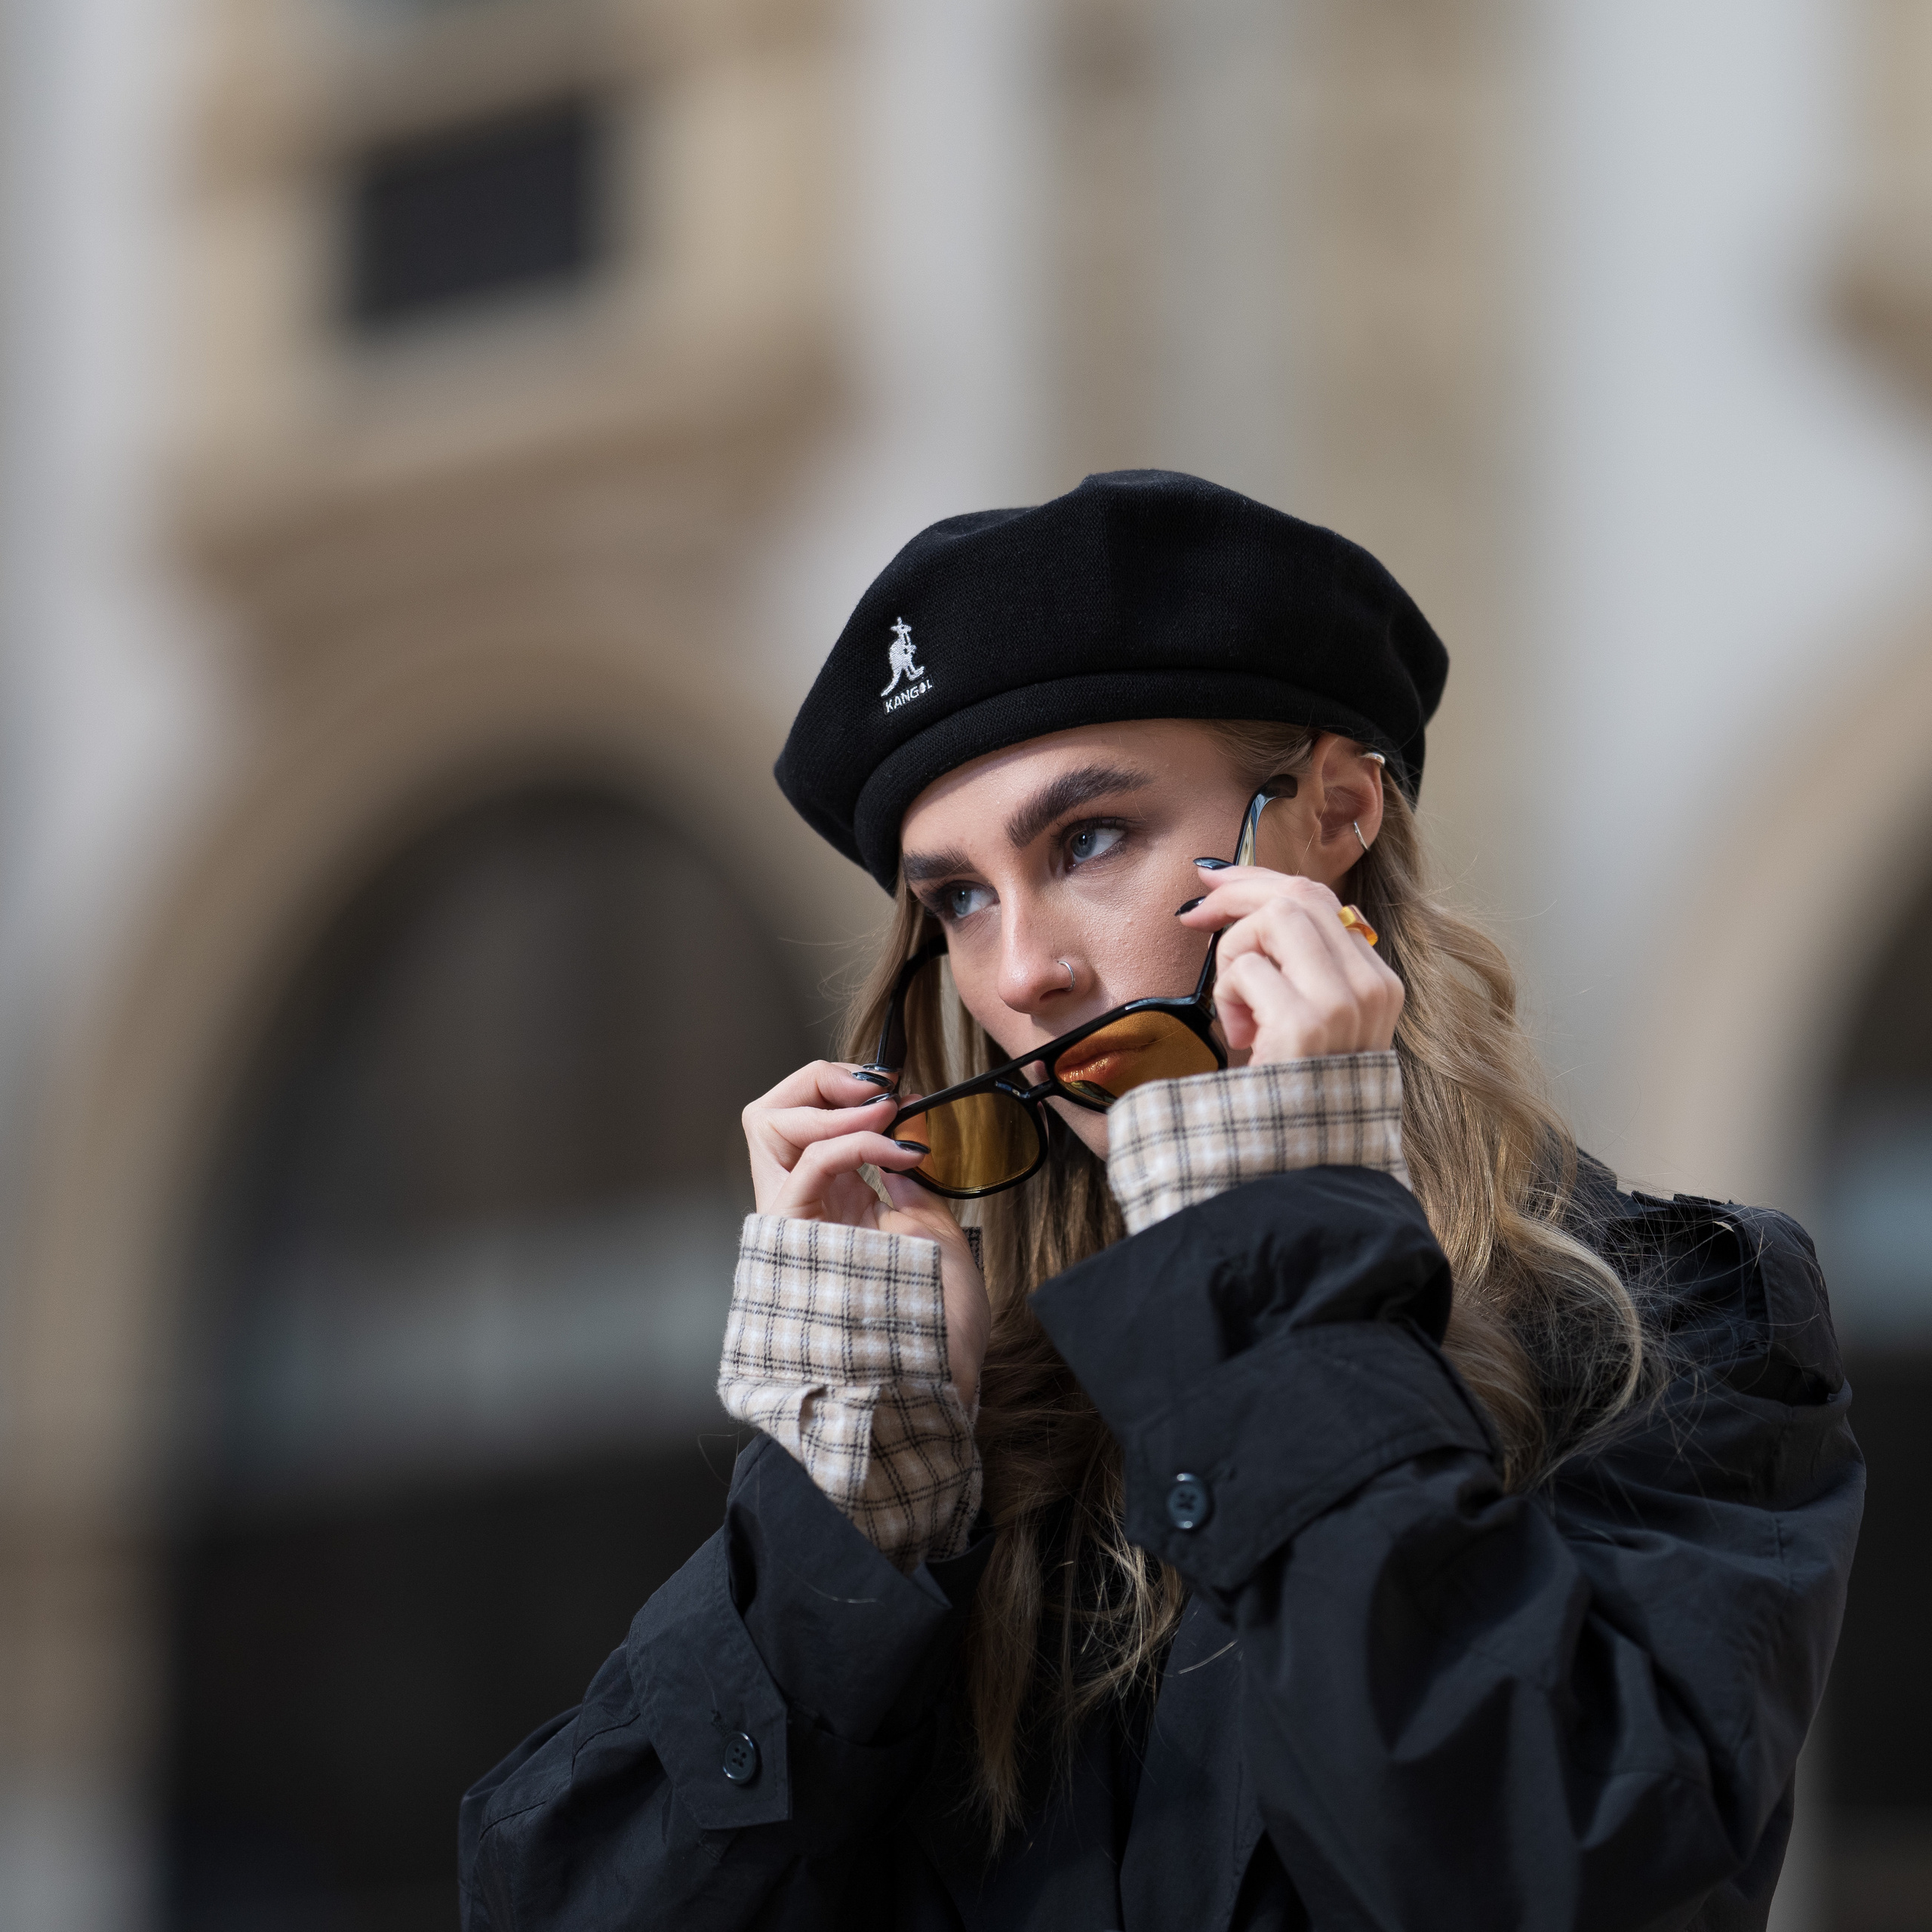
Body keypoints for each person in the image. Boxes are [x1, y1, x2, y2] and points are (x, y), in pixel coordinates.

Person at [459, 470, 1862, 1930]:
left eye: (1088, 842)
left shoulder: (1662, 1317)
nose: (1023, 975)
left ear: (1333, 811)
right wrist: (847, 1509)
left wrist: (1268, 1251)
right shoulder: (973, 1450)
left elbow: (1549, 1876)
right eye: (960, 901)